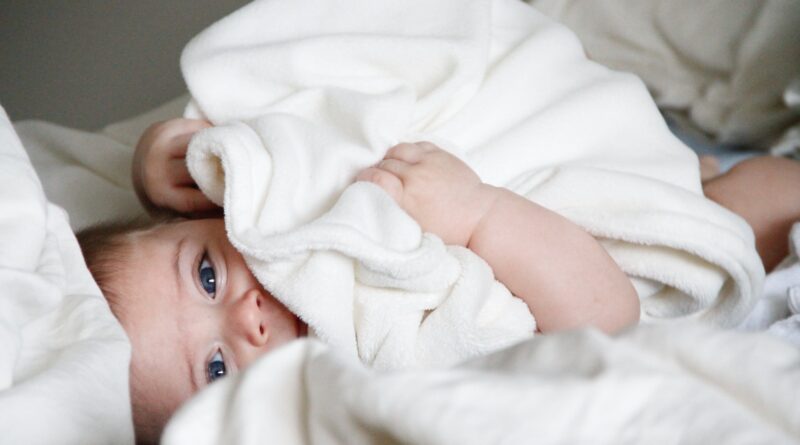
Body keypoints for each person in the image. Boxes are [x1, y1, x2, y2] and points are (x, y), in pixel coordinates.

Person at [78, 118, 800, 443]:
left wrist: (163, 159)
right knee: (754, 202)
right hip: (592, 263)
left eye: (205, 273)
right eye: (216, 366)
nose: (247, 319)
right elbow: (607, 322)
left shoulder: (284, 215)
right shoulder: (379, 372)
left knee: (695, 173)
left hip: (565, 162)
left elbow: (252, 137)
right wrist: (480, 214)